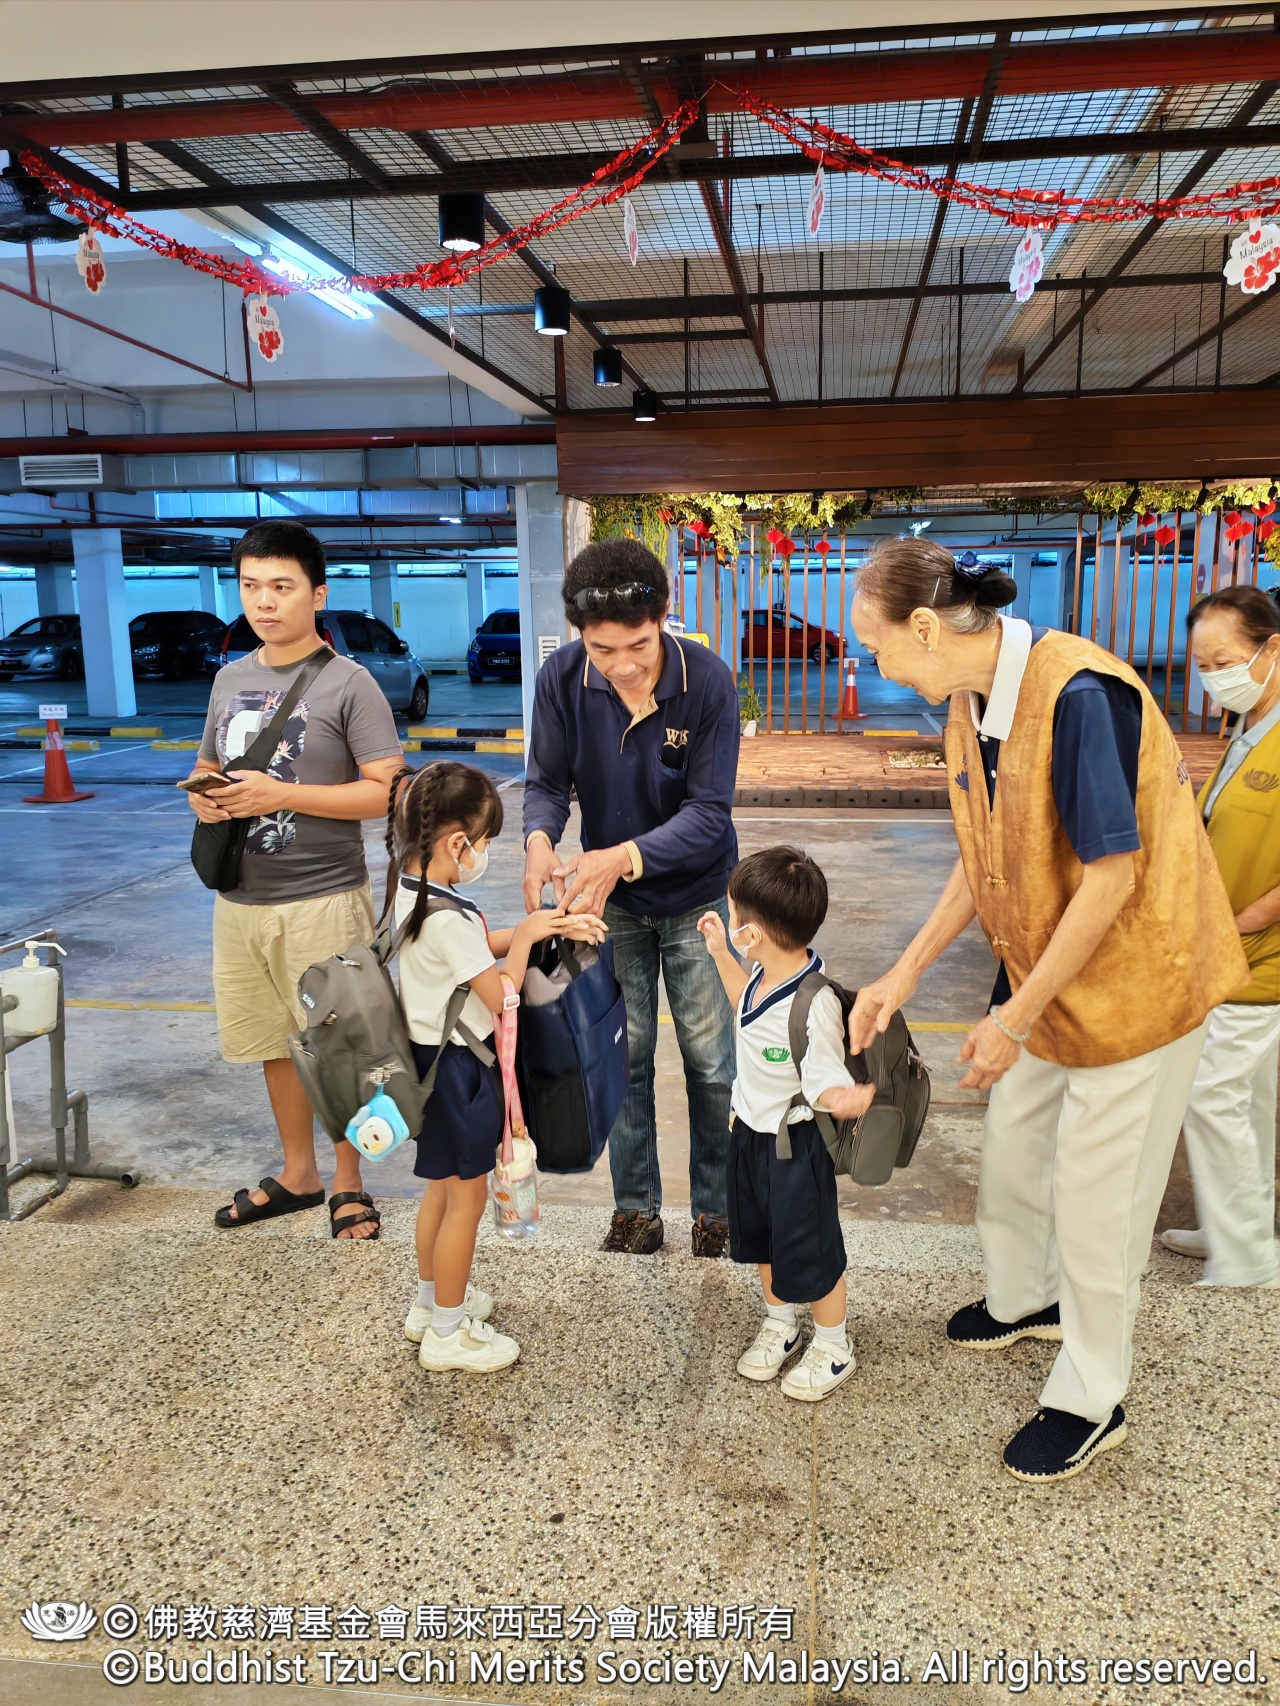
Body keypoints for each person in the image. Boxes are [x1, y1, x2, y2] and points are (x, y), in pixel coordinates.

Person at [848, 536, 1248, 1484]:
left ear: (924, 627)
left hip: (1138, 985)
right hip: (1045, 970)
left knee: (1101, 1202)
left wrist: (1013, 1020)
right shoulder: (968, 701)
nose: (877, 665)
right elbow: (981, 852)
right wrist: (905, 972)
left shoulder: (1079, 697)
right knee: (1017, 1150)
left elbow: (1111, 879)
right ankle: (1027, 1300)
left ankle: (1093, 1395)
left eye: (876, 646)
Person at [522, 537, 741, 1257]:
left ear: (664, 616)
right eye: (602, 649)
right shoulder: (561, 679)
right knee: (623, 1054)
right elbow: (547, 782)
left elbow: (709, 814)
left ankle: (717, 1211)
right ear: (580, 635)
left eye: (638, 645)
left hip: (697, 901)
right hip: (607, 906)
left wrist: (622, 857)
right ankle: (635, 1211)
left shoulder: (706, 681)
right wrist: (538, 841)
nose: (622, 665)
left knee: (712, 1062)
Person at [189, 520, 405, 1239]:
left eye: (281, 586)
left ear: (317, 593)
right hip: (239, 898)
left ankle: (349, 1181)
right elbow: (207, 763)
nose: (264, 601)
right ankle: (299, 1173)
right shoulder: (229, 679)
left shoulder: (350, 683)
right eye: (250, 586)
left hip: (322, 898)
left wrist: (281, 795)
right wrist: (202, 795)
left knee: (337, 1048)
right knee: (272, 1044)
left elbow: (384, 791)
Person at [386, 762, 607, 1373]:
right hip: (461, 1072)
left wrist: (540, 926)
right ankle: (448, 1333)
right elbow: (501, 994)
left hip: (426, 1064)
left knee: (441, 1190)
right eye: (484, 842)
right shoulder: (449, 917)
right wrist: (527, 940)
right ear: (458, 842)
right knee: (467, 1203)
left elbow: (469, 954)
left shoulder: (411, 888)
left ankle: (430, 1304)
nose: (484, 854)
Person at [698, 847, 875, 1401]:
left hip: (794, 1145)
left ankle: (834, 1343)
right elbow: (743, 1009)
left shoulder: (814, 1001)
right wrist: (720, 953)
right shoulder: (760, 974)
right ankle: (781, 1324)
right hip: (750, 1135)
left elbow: (824, 1075)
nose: (729, 918)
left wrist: (844, 1099)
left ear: (752, 934)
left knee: (810, 1244)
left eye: (733, 914)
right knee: (764, 1238)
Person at [1160, 585, 1280, 1287]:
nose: (1212, 678)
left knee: (1212, 1094)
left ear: (1272, 649)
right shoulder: (1249, 727)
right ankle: (1238, 1226)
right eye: (1202, 665)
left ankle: (1246, 1258)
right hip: (1228, 949)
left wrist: (1247, 920)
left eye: (1225, 662)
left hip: (1255, 956)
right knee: (1248, 1100)